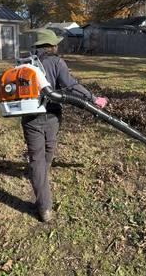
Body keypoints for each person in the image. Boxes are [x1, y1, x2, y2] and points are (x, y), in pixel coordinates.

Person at [21, 28, 108, 222]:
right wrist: (94, 98)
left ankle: (44, 206)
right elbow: (71, 86)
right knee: (48, 148)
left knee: (36, 159)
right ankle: (43, 197)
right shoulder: (57, 62)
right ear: (52, 45)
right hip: (52, 116)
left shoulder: (25, 64)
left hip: (29, 117)